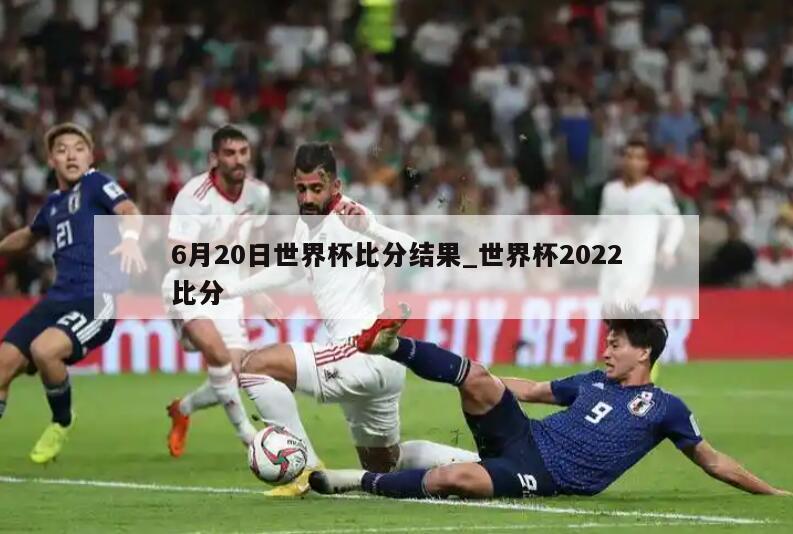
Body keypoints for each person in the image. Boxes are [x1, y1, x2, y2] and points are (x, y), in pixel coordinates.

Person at [310, 305, 790, 499]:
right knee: (476, 376)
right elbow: (535, 391)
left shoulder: (666, 407)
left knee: (454, 479)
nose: (606, 351)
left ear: (643, 353)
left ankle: (358, 482)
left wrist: (772, 494)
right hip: (523, 435)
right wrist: (478, 382)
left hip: (545, 475)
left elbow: (713, 461)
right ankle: (392, 345)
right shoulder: (592, 381)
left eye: (616, 344)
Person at [226, 142, 478, 497]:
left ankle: (305, 469)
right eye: (301, 188)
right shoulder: (307, 225)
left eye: (317, 188)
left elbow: (419, 251)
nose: (308, 198)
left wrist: (371, 229)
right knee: (385, 465)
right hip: (378, 362)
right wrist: (232, 290)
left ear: (335, 186)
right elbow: (291, 269)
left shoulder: (351, 217)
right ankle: (485, 463)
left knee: (255, 366)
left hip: (362, 350)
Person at [0, 122, 145, 463]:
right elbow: (29, 235)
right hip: (57, 299)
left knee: (44, 350)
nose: (71, 155)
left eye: (79, 149)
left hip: (95, 298)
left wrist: (129, 239)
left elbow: (129, 211)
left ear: (90, 157)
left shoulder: (96, 183)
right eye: (62, 150)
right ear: (51, 160)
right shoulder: (53, 204)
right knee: (3, 364)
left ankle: (62, 420)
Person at [164, 125, 272, 455]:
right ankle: (250, 438)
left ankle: (182, 409)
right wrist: (220, 243)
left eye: (243, 152)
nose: (238, 160)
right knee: (219, 357)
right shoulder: (194, 197)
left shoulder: (258, 195)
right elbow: (176, 254)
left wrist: (260, 291)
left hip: (228, 290)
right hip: (189, 286)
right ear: (214, 158)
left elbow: (255, 245)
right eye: (229, 153)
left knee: (230, 374)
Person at [590, 138, 684, 382]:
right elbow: (604, 226)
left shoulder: (657, 192)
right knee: (610, 315)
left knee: (623, 310)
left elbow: (675, 222)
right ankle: (640, 356)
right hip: (612, 263)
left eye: (638, 157)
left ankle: (638, 367)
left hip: (639, 263)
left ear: (646, 163)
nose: (632, 161)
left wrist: (668, 249)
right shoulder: (611, 191)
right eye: (629, 156)